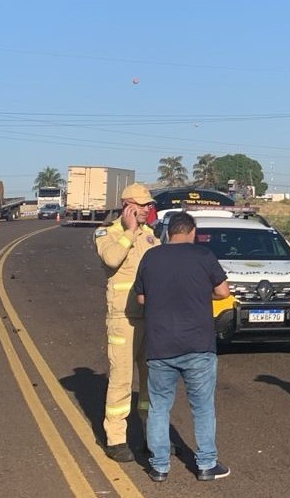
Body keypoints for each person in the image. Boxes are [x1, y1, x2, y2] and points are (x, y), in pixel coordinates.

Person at [133, 211, 231, 482]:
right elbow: (223, 292)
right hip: (198, 345)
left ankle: (160, 466)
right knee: (202, 407)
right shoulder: (203, 256)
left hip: (160, 345)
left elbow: (141, 299)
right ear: (192, 232)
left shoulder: (151, 257)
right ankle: (206, 464)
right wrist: (202, 294)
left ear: (167, 233)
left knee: (159, 407)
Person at [93, 183, 160, 462]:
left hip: (151, 317)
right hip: (123, 318)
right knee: (121, 380)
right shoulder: (107, 234)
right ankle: (116, 439)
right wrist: (129, 231)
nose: (147, 210)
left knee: (151, 382)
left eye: (148, 206)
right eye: (142, 206)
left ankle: (151, 436)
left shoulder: (151, 236)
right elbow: (111, 259)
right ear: (128, 207)